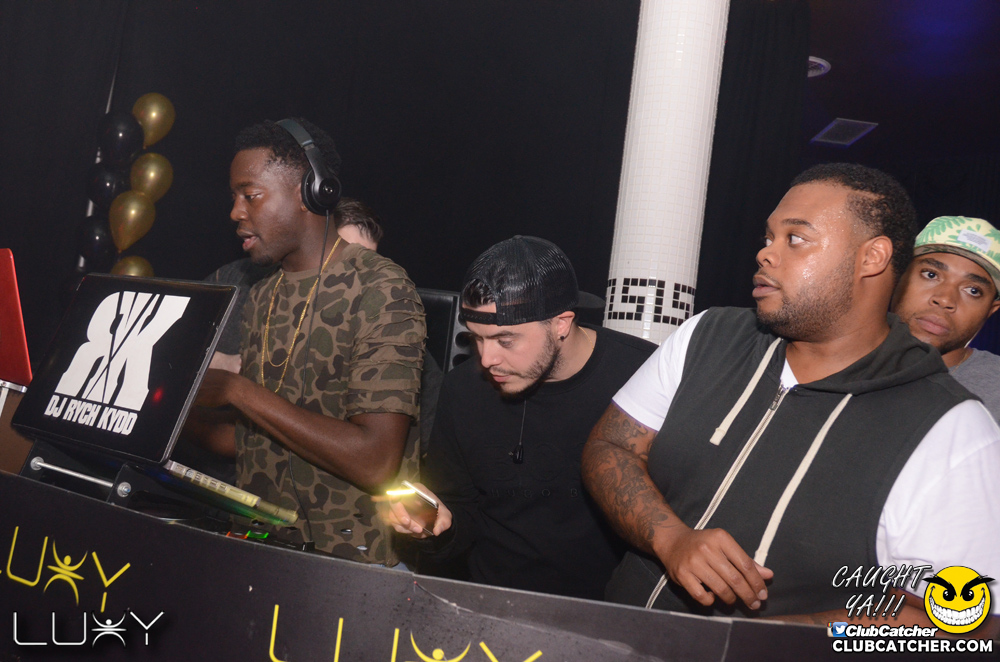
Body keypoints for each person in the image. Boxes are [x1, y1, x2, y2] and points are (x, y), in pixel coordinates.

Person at [581, 164, 1000, 627]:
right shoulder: (708, 335)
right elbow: (610, 445)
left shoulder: (950, 427)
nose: (766, 253)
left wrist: (772, 639)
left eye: (795, 238)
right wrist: (670, 538)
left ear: (872, 258)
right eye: (769, 237)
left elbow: (968, 620)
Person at [193, 118, 425, 565]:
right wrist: (168, 413)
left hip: (346, 566)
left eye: (250, 195)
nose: (236, 212)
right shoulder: (262, 295)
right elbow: (253, 442)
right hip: (258, 552)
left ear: (310, 192)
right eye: (233, 198)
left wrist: (235, 389)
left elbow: (375, 461)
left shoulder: (381, 289)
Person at [382, 236, 655, 600]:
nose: (487, 359)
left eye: (505, 341)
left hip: (612, 614)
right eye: (477, 339)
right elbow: (460, 513)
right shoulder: (463, 390)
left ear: (561, 324)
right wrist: (434, 527)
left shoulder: (644, 379)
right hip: (490, 609)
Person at [892, 216, 1000, 421]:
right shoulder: (840, 360)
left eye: (973, 290)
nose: (945, 299)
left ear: (991, 310)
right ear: (898, 275)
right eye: (931, 275)